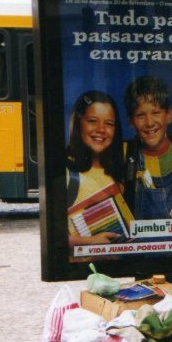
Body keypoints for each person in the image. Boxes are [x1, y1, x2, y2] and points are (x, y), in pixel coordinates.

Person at [65, 90, 132, 246]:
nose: (101, 129)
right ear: (78, 122)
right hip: (87, 267)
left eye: (109, 123)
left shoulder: (123, 167)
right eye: (92, 121)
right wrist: (90, 242)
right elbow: (55, 236)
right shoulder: (67, 173)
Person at [123, 75, 172, 220]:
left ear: (169, 115)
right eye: (140, 115)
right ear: (131, 122)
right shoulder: (125, 156)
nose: (150, 123)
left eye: (156, 112)